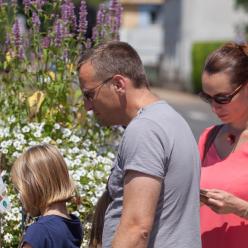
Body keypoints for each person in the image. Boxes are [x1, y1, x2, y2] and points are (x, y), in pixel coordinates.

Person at [77, 41, 201, 248]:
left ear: (118, 84)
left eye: (90, 94)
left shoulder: (145, 129)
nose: (87, 106)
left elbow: (136, 229)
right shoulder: (171, 119)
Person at [198, 42, 248, 248]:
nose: (214, 107)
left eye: (222, 98)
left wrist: (239, 208)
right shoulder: (208, 137)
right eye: (207, 98)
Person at [11, 144, 83, 248]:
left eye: (18, 189)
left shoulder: (39, 231)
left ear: (32, 185)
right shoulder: (74, 225)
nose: (19, 195)